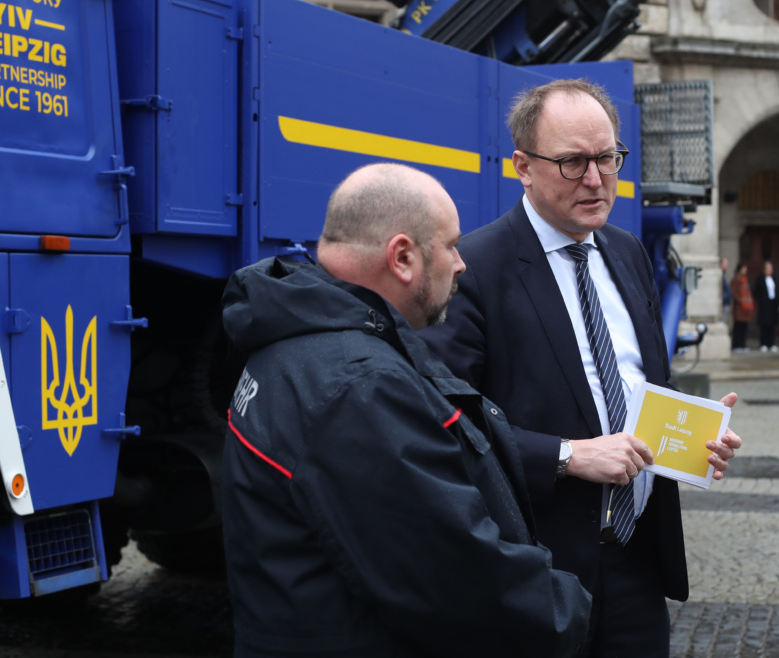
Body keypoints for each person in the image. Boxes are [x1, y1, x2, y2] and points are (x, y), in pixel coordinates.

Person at [420, 79, 741, 658]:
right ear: (523, 166)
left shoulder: (627, 252)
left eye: (607, 158)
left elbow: (643, 386)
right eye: (572, 162)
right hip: (534, 568)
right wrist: (569, 456)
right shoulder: (476, 268)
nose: (595, 180)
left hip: (638, 558)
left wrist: (695, 438)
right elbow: (446, 425)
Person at [220, 163, 592, 658]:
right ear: (402, 257)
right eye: (451, 245)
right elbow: (454, 580)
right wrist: (569, 610)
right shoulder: (361, 386)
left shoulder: (291, 341)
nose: (461, 263)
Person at [751, 261, 779, 352]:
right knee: (764, 325)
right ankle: (763, 343)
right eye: (768, 269)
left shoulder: (774, 278)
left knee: (772, 325)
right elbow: (755, 292)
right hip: (764, 305)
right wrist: (760, 301)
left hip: (773, 304)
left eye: (771, 269)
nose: (769, 271)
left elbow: (778, 292)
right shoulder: (760, 279)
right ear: (764, 270)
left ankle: (771, 343)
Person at [730, 261, 754, 352]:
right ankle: (737, 345)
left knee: (744, 327)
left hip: (746, 307)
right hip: (739, 307)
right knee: (738, 327)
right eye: (744, 268)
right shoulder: (735, 279)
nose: (745, 270)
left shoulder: (745, 280)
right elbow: (734, 292)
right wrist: (741, 300)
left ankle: (743, 344)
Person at [720, 257, 732, 325]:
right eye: (726, 264)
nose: (727, 266)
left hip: (725, 302)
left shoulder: (723, 275)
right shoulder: (720, 275)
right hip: (723, 303)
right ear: (720, 265)